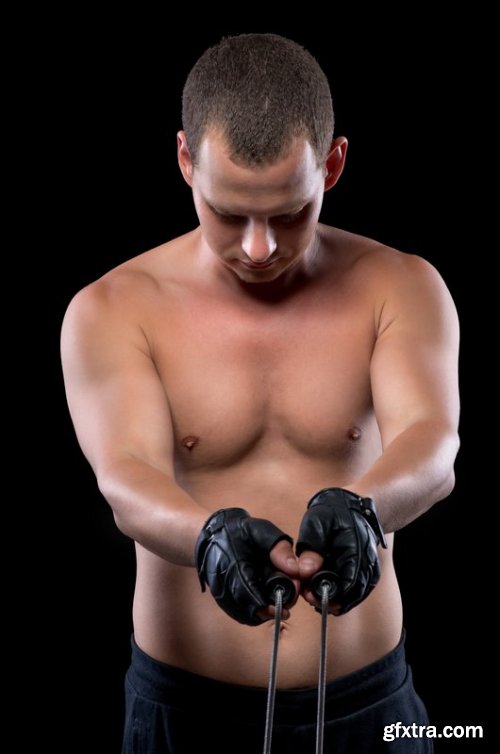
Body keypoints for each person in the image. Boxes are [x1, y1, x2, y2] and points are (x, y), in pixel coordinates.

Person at [61, 33, 460, 754]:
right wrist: (207, 537)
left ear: (332, 165)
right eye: (227, 213)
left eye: (287, 213)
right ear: (185, 160)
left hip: (372, 706)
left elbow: (433, 445)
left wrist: (366, 514)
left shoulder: (397, 285)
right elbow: (126, 479)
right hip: (185, 715)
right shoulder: (113, 308)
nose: (259, 248)